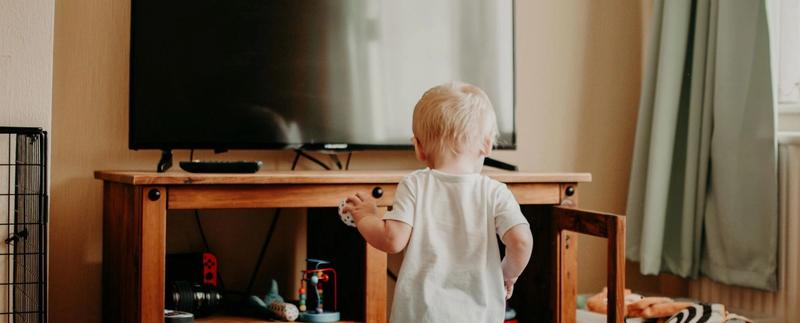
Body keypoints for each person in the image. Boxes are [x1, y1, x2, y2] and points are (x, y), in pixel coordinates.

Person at [342, 82, 533, 322]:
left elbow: (392, 240)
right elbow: (522, 242)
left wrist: (366, 215)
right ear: (487, 144)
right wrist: (507, 274)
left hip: (421, 315)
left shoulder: (414, 185)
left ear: (418, 148)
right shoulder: (496, 192)